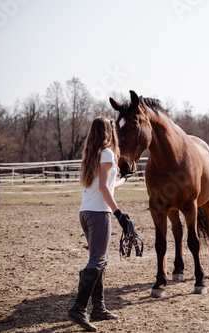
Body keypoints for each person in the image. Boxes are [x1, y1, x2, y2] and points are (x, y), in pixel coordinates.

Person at [67, 116, 135, 332]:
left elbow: (106, 185)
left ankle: (99, 308)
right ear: (109, 131)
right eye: (113, 128)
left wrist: (125, 178)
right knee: (97, 261)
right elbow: (105, 189)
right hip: (98, 214)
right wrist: (119, 214)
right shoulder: (106, 153)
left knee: (100, 261)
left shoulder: (91, 154)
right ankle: (78, 309)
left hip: (86, 212)